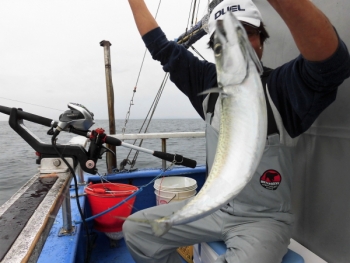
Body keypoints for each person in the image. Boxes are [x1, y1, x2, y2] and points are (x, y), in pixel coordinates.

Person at [123, 0, 350, 262]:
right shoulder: (207, 83)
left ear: (261, 42)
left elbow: (332, 63)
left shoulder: (281, 89)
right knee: (137, 230)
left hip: (262, 220)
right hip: (213, 207)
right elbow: (161, 47)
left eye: (246, 33)